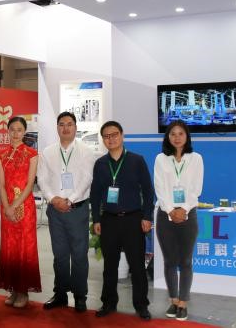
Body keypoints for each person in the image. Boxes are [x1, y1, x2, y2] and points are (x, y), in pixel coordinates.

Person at [90, 120, 154, 321]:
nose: (111, 139)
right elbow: (95, 194)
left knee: (137, 266)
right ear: (103, 140)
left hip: (133, 220)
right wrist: (96, 219)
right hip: (109, 221)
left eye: (114, 134)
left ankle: (141, 305)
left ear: (122, 135)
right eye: (106, 136)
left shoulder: (137, 160)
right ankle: (109, 303)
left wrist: (147, 216)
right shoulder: (100, 164)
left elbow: (148, 190)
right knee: (110, 266)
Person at [37, 111, 95, 312]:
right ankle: (60, 294)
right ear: (57, 128)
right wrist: (53, 199)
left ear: (75, 127)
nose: (66, 128)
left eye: (69, 124)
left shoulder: (86, 151)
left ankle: (80, 296)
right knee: (60, 255)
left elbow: (87, 178)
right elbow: (42, 179)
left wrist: (69, 200)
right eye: (62, 124)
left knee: (79, 255)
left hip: (77, 210)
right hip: (55, 211)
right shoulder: (48, 152)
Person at [154, 120, 203, 322]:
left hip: (188, 215)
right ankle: (173, 300)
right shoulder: (161, 159)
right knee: (169, 261)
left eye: (180, 133)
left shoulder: (196, 159)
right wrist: (170, 210)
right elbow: (159, 188)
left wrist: (183, 209)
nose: (176, 137)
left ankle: (183, 302)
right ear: (167, 137)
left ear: (187, 136)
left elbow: (196, 189)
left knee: (185, 261)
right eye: (172, 134)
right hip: (165, 216)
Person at [0, 116, 41, 308]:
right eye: (12, 129)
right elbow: (1, 183)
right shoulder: (1, 155)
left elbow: (30, 184)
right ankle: (13, 289)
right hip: (6, 206)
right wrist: (7, 206)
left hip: (25, 206)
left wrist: (14, 205)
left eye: (19, 130)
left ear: (24, 132)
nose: (15, 133)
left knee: (24, 248)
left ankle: (23, 292)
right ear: (7, 131)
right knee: (10, 248)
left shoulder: (32, 154)